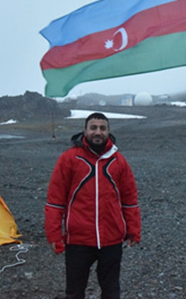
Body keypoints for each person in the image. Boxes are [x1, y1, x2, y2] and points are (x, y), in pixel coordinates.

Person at [45, 112, 141, 299]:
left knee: (111, 290)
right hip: (78, 239)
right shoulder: (69, 159)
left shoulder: (119, 161)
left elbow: (129, 199)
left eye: (102, 128)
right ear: (85, 131)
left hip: (111, 239)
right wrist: (54, 234)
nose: (98, 132)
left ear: (108, 131)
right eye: (93, 128)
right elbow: (55, 200)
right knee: (74, 291)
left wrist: (133, 230)